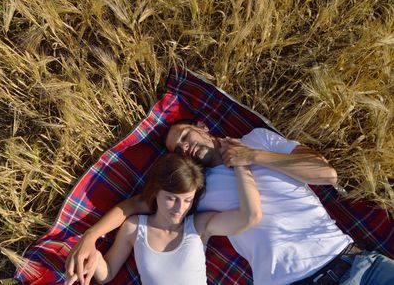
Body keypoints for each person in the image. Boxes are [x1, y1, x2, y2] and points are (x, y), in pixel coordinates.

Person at [67, 121, 394, 285]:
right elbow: (135, 206)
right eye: (176, 150)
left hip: (357, 264)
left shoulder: (259, 138)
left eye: (184, 136)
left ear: (202, 128)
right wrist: (89, 238)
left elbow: (326, 174)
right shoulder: (196, 192)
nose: (184, 148)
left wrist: (251, 156)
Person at [65, 152, 261, 285]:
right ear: (156, 192)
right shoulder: (134, 227)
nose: (179, 209)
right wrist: (94, 258)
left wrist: (242, 164)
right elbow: (107, 274)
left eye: (187, 200)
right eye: (171, 199)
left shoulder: (200, 226)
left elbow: (250, 217)